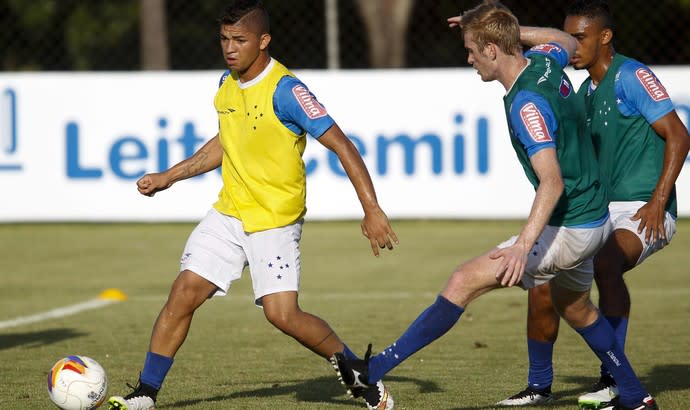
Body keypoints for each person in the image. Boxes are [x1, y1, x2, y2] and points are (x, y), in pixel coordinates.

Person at [331, 1, 658, 409]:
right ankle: (635, 395)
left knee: (462, 280)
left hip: (572, 226)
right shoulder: (545, 63)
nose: (469, 59)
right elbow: (559, 39)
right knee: (575, 307)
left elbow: (551, 182)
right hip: (593, 220)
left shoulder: (526, 104)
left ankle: (374, 369)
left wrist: (522, 246)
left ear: (491, 50)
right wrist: (504, 28)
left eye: (472, 49)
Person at [106, 1, 398, 410]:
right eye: (224, 39)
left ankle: (356, 371)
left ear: (263, 41)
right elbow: (226, 142)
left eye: (239, 40)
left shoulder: (288, 91)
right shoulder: (226, 82)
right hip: (229, 212)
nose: (229, 48)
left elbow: (342, 145)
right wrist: (169, 176)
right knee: (183, 292)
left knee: (282, 315)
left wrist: (372, 209)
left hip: (274, 220)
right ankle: (146, 393)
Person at [495, 1, 690, 407]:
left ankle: (613, 378)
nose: (573, 47)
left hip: (642, 209)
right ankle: (538, 386)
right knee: (542, 283)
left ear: (605, 37)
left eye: (580, 38)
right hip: (598, 212)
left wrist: (658, 201)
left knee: (607, 263)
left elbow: (679, 135)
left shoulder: (633, 76)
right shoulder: (583, 92)